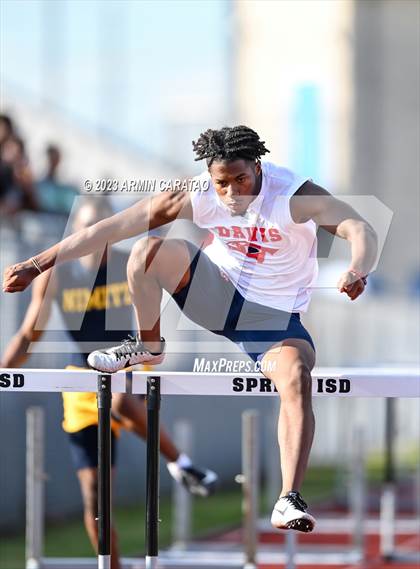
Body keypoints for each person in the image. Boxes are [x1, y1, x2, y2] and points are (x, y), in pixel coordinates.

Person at [3, 125, 378, 533]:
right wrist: (37, 263)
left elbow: (360, 227)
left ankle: (288, 498)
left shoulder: (293, 195)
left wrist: (358, 268)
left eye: (241, 180)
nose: (232, 194)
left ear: (258, 167)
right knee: (145, 251)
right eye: (222, 184)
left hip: (273, 319)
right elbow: (109, 229)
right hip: (216, 296)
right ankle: (149, 344)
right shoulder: (196, 193)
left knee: (296, 377)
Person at [1, 196, 217, 569]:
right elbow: (27, 336)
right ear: (76, 231)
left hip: (126, 365)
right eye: (89, 227)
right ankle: (112, 566)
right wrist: (4, 370)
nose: (96, 236)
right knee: (96, 497)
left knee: (117, 398)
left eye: (104, 228)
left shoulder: (127, 263)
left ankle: (182, 463)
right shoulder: (58, 275)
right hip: (81, 380)